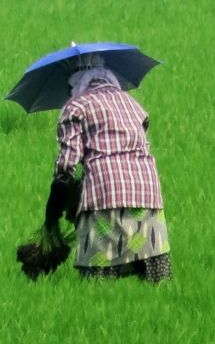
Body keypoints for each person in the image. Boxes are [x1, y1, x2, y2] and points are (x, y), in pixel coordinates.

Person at [50, 60, 172, 283]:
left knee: (98, 280)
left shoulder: (76, 106)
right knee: (155, 279)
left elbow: (68, 163)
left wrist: (55, 206)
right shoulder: (132, 103)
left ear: (75, 83)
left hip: (105, 191)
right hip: (147, 191)